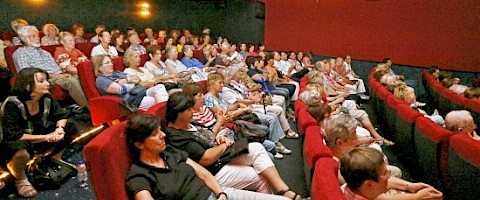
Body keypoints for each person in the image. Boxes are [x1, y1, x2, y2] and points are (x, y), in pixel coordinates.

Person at [164, 93, 305, 199]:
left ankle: (283, 190)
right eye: (189, 110)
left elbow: (206, 137)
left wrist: (218, 138)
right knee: (261, 172)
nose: (194, 112)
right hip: (214, 170)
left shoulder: (190, 124)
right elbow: (205, 158)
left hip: (221, 158)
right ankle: (284, 192)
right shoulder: (175, 135)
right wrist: (223, 146)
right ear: (179, 112)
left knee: (257, 151)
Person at [125, 114, 290, 200]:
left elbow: (202, 173)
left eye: (161, 130)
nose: (163, 136)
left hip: (219, 193)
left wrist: (221, 194)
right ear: (139, 144)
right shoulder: (138, 175)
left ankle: (285, 193)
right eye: (155, 134)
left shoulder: (169, 152)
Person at [322, 114, 443, 200]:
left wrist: (409, 186)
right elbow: (376, 194)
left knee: (395, 173)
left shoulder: (344, 161)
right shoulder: (341, 168)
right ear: (340, 143)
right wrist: (417, 197)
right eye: (355, 138)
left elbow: (372, 182)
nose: (358, 141)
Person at [1, 68, 78, 198]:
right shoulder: (13, 103)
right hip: (18, 142)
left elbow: (61, 115)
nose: (47, 83)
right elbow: (15, 135)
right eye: (41, 81)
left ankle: (55, 158)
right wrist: (46, 137)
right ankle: (20, 179)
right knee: (19, 149)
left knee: (69, 126)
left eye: (46, 80)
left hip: (39, 137)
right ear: (27, 86)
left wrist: (59, 129)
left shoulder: (46, 97)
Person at [182, 83, 283, 159]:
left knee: (270, 145)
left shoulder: (204, 108)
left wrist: (223, 120)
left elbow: (221, 119)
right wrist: (220, 122)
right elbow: (209, 137)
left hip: (230, 131)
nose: (203, 97)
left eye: (202, 94)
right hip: (222, 140)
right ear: (190, 98)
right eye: (199, 95)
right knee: (268, 153)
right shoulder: (191, 116)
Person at [13, 25, 89, 108]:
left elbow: (57, 68)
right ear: (24, 38)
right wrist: (59, 76)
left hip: (59, 75)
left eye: (37, 35)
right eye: (33, 36)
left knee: (84, 76)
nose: (37, 38)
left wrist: (64, 74)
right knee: (72, 82)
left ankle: (98, 103)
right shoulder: (21, 53)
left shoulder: (45, 52)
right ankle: (89, 108)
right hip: (45, 79)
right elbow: (26, 74)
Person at [92, 54, 167, 110]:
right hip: (131, 100)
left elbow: (137, 78)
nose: (111, 64)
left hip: (140, 91)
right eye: (107, 63)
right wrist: (130, 82)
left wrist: (125, 81)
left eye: (111, 62)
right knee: (155, 100)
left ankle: (165, 114)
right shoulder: (101, 80)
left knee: (160, 87)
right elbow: (121, 90)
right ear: (99, 68)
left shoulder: (117, 73)